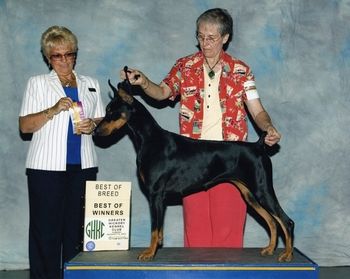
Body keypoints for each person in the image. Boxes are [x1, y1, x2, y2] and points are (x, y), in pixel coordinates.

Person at [121, 8, 281, 248]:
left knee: (227, 235)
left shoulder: (241, 71)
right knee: (196, 235)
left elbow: (257, 110)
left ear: (225, 37)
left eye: (211, 38)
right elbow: (163, 92)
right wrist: (144, 82)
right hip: (192, 157)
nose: (204, 44)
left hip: (229, 158)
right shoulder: (184, 66)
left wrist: (268, 127)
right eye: (200, 36)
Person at [19, 26, 105, 279]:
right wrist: (52, 110)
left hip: (83, 167)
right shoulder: (37, 84)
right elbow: (24, 126)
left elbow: (99, 116)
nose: (65, 60)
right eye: (58, 56)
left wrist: (94, 124)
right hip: (46, 169)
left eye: (70, 54)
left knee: (77, 232)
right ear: (48, 57)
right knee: (46, 232)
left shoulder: (91, 84)